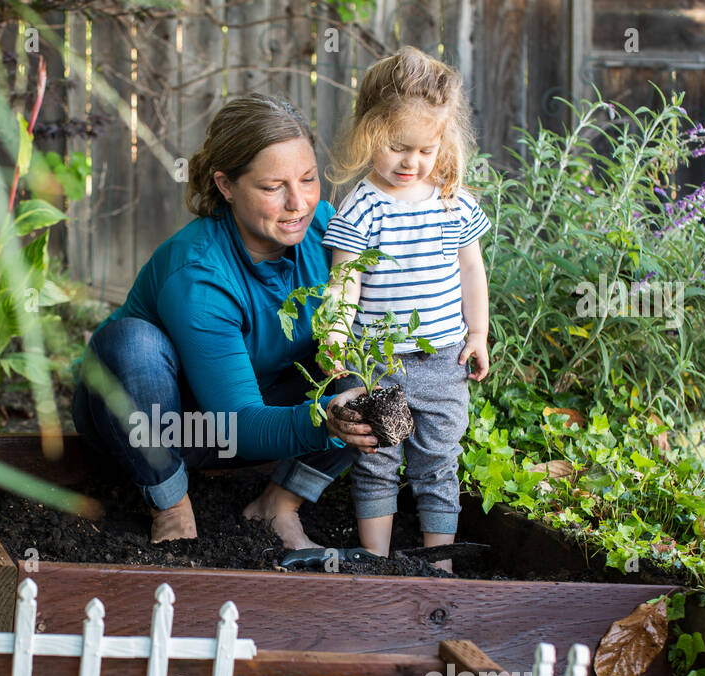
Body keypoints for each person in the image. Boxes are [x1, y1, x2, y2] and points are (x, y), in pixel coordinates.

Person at [71, 93, 377, 546]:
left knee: (377, 363)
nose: (299, 203)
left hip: (266, 417)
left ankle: (280, 502)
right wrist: (321, 422)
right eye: (273, 187)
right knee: (130, 343)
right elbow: (236, 422)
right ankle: (171, 505)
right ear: (227, 185)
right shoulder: (199, 272)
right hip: (164, 425)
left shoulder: (327, 230)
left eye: (308, 179)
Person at [320, 46, 492, 571]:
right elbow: (344, 279)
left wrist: (478, 333)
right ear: (370, 133)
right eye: (397, 147)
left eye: (425, 149)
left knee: (438, 463)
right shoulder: (364, 205)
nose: (411, 163)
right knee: (375, 458)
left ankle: (438, 564)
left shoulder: (450, 199)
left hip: (442, 361)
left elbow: (470, 269)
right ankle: (376, 559)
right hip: (377, 360)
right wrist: (335, 336)